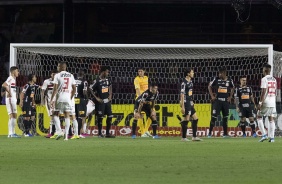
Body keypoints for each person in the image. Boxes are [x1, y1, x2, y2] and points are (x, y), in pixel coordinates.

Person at [50, 62, 76, 140]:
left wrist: (51, 99)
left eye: (58, 66)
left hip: (60, 98)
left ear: (61, 67)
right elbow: (74, 89)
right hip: (68, 98)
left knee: (55, 114)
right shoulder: (71, 75)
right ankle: (66, 137)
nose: (57, 67)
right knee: (67, 115)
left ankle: (59, 131)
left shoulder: (57, 75)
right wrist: (70, 98)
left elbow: (54, 89)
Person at [208, 67, 235, 138]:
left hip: (225, 102)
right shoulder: (216, 79)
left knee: (225, 118)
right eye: (219, 73)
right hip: (217, 102)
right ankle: (209, 133)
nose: (219, 74)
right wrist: (212, 96)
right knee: (213, 117)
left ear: (224, 73)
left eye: (220, 73)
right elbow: (209, 86)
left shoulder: (229, 80)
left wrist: (230, 97)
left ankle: (225, 134)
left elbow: (233, 88)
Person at [89, 66, 115, 138]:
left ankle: (107, 133)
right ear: (103, 72)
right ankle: (100, 133)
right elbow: (90, 89)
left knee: (110, 116)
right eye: (107, 72)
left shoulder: (107, 80)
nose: (108, 73)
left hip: (107, 101)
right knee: (100, 117)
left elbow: (110, 86)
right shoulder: (97, 80)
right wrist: (96, 98)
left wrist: (110, 95)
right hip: (101, 102)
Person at [180, 68, 202, 141]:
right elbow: (182, 95)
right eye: (192, 72)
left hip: (190, 101)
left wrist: (192, 101)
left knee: (195, 118)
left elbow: (190, 93)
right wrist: (182, 106)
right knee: (187, 119)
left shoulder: (191, 82)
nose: (193, 73)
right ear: (188, 74)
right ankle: (183, 137)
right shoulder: (184, 83)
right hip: (186, 102)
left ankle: (194, 137)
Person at [257, 64, 277, 143]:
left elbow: (264, 91)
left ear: (265, 70)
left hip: (266, 101)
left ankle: (264, 135)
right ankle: (272, 138)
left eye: (263, 70)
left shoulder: (264, 79)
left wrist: (260, 102)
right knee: (271, 118)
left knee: (258, 116)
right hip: (273, 101)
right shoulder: (274, 79)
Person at [2, 66, 21, 138]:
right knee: (13, 115)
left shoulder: (13, 79)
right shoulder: (10, 78)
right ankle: (11, 133)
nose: (18, 73)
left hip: (12, 99)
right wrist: (9, 92)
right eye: (17, 71)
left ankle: (11, 133)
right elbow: (4, 85)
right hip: (10, 99)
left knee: (12, 116)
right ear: (13, 72)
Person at [133, 67, 152, 137]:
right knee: (141, 115)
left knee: (152, 114)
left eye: (141, 71)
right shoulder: (136, 79)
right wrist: (140, 98)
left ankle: (146, 130)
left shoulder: (147, 78)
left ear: (144, 71)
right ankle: (143, 132)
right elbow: (137, 89)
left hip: (148, 99)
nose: (140, 73)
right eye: (139, 71)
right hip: (140, 99)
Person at [41, 69, 57, 137]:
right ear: (51, 74)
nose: (54, 75)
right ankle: (51, 132)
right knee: (51, 116)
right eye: (53, 74)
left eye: (55, 74)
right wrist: (42, 101)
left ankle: (55, 132)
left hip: (57, 101)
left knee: (56, 116)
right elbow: (42, 91)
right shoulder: (47, 81)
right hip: (49, 101)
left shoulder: (58, 81)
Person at [74, 69, 88, 138]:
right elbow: (84, 92)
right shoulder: (84, 82)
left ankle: (75, 132)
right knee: (80, 116)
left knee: (75, 116)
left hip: (74, 100)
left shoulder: (73, 81)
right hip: (81, 100)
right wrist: (87, 98)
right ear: (83, 75)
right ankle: (78, 134)